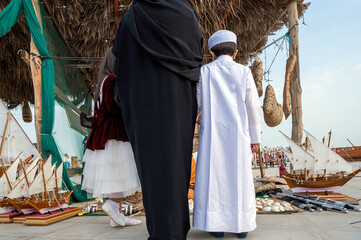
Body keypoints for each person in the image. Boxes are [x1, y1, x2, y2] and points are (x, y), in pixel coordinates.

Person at [112, 1, 203, 239]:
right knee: (176, 164)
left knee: (153, 170)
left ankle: (162, 231)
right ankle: (175, 229)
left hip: (144, 107)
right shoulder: (185, 13)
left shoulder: (132, 16)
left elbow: (119, 60)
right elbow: (195, 54)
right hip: (178, 104)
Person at [193, 30, 262, 239]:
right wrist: (255, 137)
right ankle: (241, 226)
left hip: (212, 137)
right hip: (239, 137)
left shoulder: (204, 72)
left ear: (212, 53)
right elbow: (253, 107)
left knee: (213, 178)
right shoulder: (244, 72)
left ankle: (215, 225)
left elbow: (195, 104)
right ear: (235, 52)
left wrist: (196, 118)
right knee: (239, 178)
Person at [81, 49, 141, 228]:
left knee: (115, 174)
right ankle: (114, 208)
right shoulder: (112, 81)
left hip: (103, 132)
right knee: (119, 173)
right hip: (113, 132)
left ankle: (117, 214)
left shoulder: (103, 81)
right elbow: (113, 106)